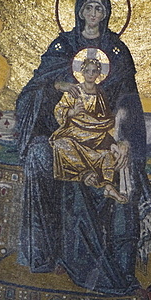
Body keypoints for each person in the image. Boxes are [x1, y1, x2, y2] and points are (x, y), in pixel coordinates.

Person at [14, 0, 151, 296]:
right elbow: (33, 93)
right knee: (46, 157)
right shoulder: (62, 46)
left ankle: (120, 265)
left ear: (106, 15)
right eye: (89, 8)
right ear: (80, 12)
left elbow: (128, 103)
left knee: (123, 169)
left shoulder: (117, 51)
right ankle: (49, 253)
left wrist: (127, 143)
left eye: (100, 9)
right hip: (66, 133)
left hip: (104, 134)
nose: (94, 14)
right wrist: (59, 83)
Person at [50, 54, 127, 203]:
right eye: (87, 71)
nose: (91, 74)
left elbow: (106, 120)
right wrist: (72, 112)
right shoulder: (74, 90)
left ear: (99, 74)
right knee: (61, 144)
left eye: (94, 71)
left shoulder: (100, 93)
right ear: (82, 72)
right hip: (75, 132)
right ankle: (84, 173)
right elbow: (59, 109)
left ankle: (108, 187)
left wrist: (114, 141)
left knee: (107, 155)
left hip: (96, 133)